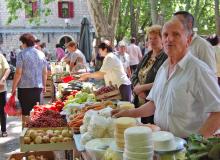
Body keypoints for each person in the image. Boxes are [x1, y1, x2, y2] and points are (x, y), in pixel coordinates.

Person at [112, 18, 220, 138]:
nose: (169, 39)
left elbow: (217, 112)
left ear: (188, 40)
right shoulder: (163, 69)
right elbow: (155, 104)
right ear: (163, 41)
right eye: (165, 35)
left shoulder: (199, 71)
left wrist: (196, 144)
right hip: (162, 143)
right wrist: (129, 113)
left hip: (186, 150)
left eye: (176, 34)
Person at [131, 25, 167, 124]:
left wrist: (142, 88)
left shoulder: (166, 58)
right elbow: (134, 74)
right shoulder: (147, 55)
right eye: (150, 38)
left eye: (155, 38)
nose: (152, 41)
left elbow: (164, 81)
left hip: (153, 104)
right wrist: (137, 88)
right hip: (139, 101)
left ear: (162, 39)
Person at [11, 33, 47, 123]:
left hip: (25, 89)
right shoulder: (41, 54)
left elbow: (18, 72)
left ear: (24, 43)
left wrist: (13, 87)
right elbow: (45, 72)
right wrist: (44, 85)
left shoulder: (21, 54)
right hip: (38, 87)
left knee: (26, 113)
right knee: (37, 112)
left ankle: (26, 133)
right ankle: (36, 132)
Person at [0, 53, 10, 137]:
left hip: (1, 89)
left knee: (2, 110)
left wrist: (3, 79)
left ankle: (3, 130)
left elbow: (7, 69)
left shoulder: (0, 56)